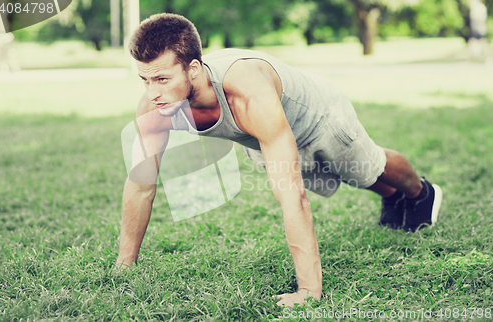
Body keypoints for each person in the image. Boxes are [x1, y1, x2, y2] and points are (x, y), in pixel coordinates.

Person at [115, 13, 443, 307]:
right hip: (263, 133)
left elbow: (291, 195)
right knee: (339, 177)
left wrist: (308, 290)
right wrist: (124, 265)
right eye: (145, 80)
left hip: (319, 117)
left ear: (194, 69)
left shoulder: (245, 93)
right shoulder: (154, 108)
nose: (152, 92)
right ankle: (392, 198)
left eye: (162, 80)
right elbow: (141, 186)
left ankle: (420, 194)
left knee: (365, 167)